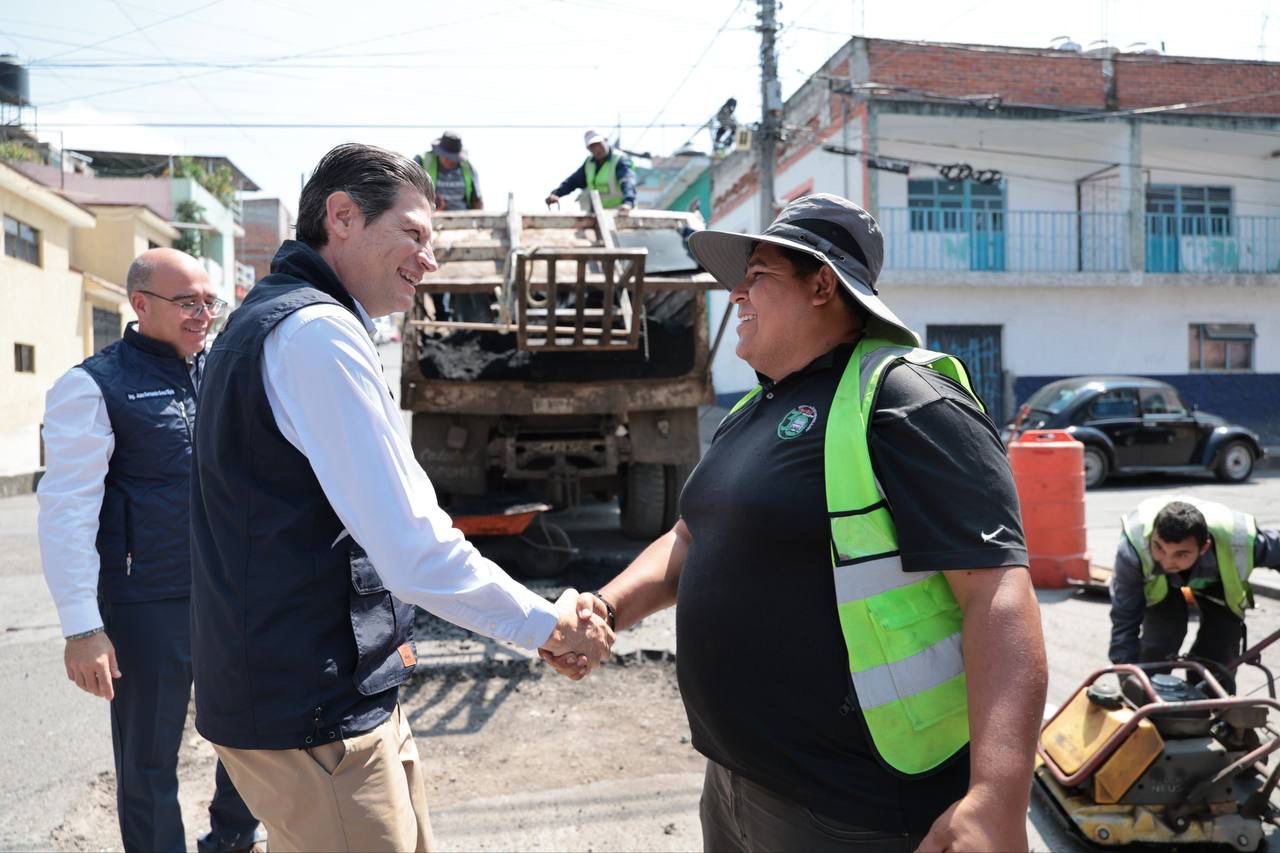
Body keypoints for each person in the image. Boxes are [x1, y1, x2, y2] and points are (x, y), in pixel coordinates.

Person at [544, 193, 1049, 851]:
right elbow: (693, 536)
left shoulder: (905, 400)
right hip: (735, 781)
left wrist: (995, 799)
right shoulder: (752, 411)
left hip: (854, 808)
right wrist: (606, 607)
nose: (735, 296)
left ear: (822, 285)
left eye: (757, 275)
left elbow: (997, 595)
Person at [189, 142, 612, 852]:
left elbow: (397, 519)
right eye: (413, 234)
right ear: (343, 217)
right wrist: (547, 626)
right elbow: (413, 549)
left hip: (323, 699)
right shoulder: (317, 332)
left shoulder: (282, 319)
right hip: (314, 716)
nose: (431, 260)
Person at [37, 248, 264, 853]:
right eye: (187, 302)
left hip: (231, 591)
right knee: (148, 761)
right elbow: (67, 511)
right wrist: (83, 626)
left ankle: (233, 842)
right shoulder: (92, 387)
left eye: (209, 302)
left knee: (252, 736)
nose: (203, 314)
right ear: (140, 305)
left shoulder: (226, 371)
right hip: (149, 602)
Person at [1109, 496, 1280, 672]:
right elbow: (1125, 614)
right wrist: (1127, 671)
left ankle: (1207, 693)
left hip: (1216, 581)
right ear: (1152, 535)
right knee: (1162, 636)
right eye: (1159, 547)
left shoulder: (1239, 542)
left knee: (1219, 646)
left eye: (1181, 554)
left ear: (1204, 547)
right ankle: (1150, 689)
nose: (1167, 562)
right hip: (1159, 586)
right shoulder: (1134, 548)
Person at [545, 129, 636, 212]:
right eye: (593, 146)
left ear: (605, 141)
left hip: (620, 212)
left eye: (599, 144)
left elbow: (627, 182)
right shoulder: (589, 163)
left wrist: (628, 203)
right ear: (588, 149)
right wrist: (556, 193)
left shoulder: (619, 160)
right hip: (598, 213)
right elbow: (572, 182)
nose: (597, 149)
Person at [414, 131, 483, 211]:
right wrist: (429, 199)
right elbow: (409, 192)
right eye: (446, 156)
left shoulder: (467, 167)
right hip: (431, 218)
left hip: (463, 218)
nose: (450, 160)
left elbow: (476, 200)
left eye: (453, 158)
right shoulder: (422, 162)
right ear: (439, 152)